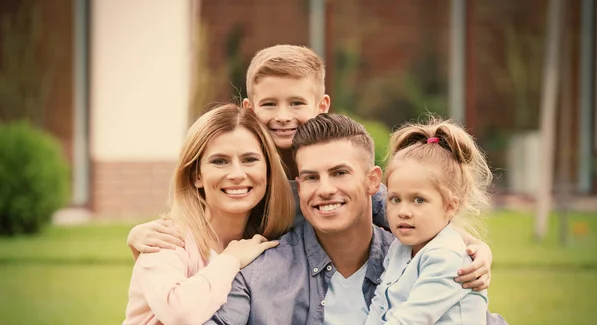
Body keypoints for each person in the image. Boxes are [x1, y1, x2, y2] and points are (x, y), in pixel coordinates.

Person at [172, 114, 533, 325]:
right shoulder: (263, 265)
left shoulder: (417, 257)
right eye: (311, 177)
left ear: (373, 181)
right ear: (299, 187)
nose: (325, 189)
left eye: (340, 173)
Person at [127, 44, 492, 291]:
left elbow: (391, 207)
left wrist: (476, 249)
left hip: (316, 287)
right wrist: (137, 237)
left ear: (321, 105)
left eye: (296, 103)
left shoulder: (334, 162)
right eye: (270, 104)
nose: (283, 117)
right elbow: (196, 213)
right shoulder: (246, 172)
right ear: (250, 108)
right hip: (256, 288)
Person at [84, 104, 295, 325]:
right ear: (196, 175)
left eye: (249, 160)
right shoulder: (165, 239)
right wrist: (230, 260)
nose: (237, 174)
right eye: (220, 161)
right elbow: (182, 314)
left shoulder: (268, 244)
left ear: (268, 171)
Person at [309, 118, 497, 325]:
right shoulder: (400, 248)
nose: (404, 211)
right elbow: (380, 307)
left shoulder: (447, 258)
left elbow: (408, 322)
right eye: (396, 199)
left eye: (418, 200)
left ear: (450, 206)